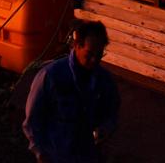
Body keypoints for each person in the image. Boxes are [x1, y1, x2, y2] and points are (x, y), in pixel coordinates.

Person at [23, 21, 120, 163]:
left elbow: (112, 112)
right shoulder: (50, 76)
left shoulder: (104, 81)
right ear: (77, 46)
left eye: (99, 55)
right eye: (89, 54)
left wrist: (105, 130)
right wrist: (39, 152)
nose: (94, 60)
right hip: (56, 156)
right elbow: (32, 120)